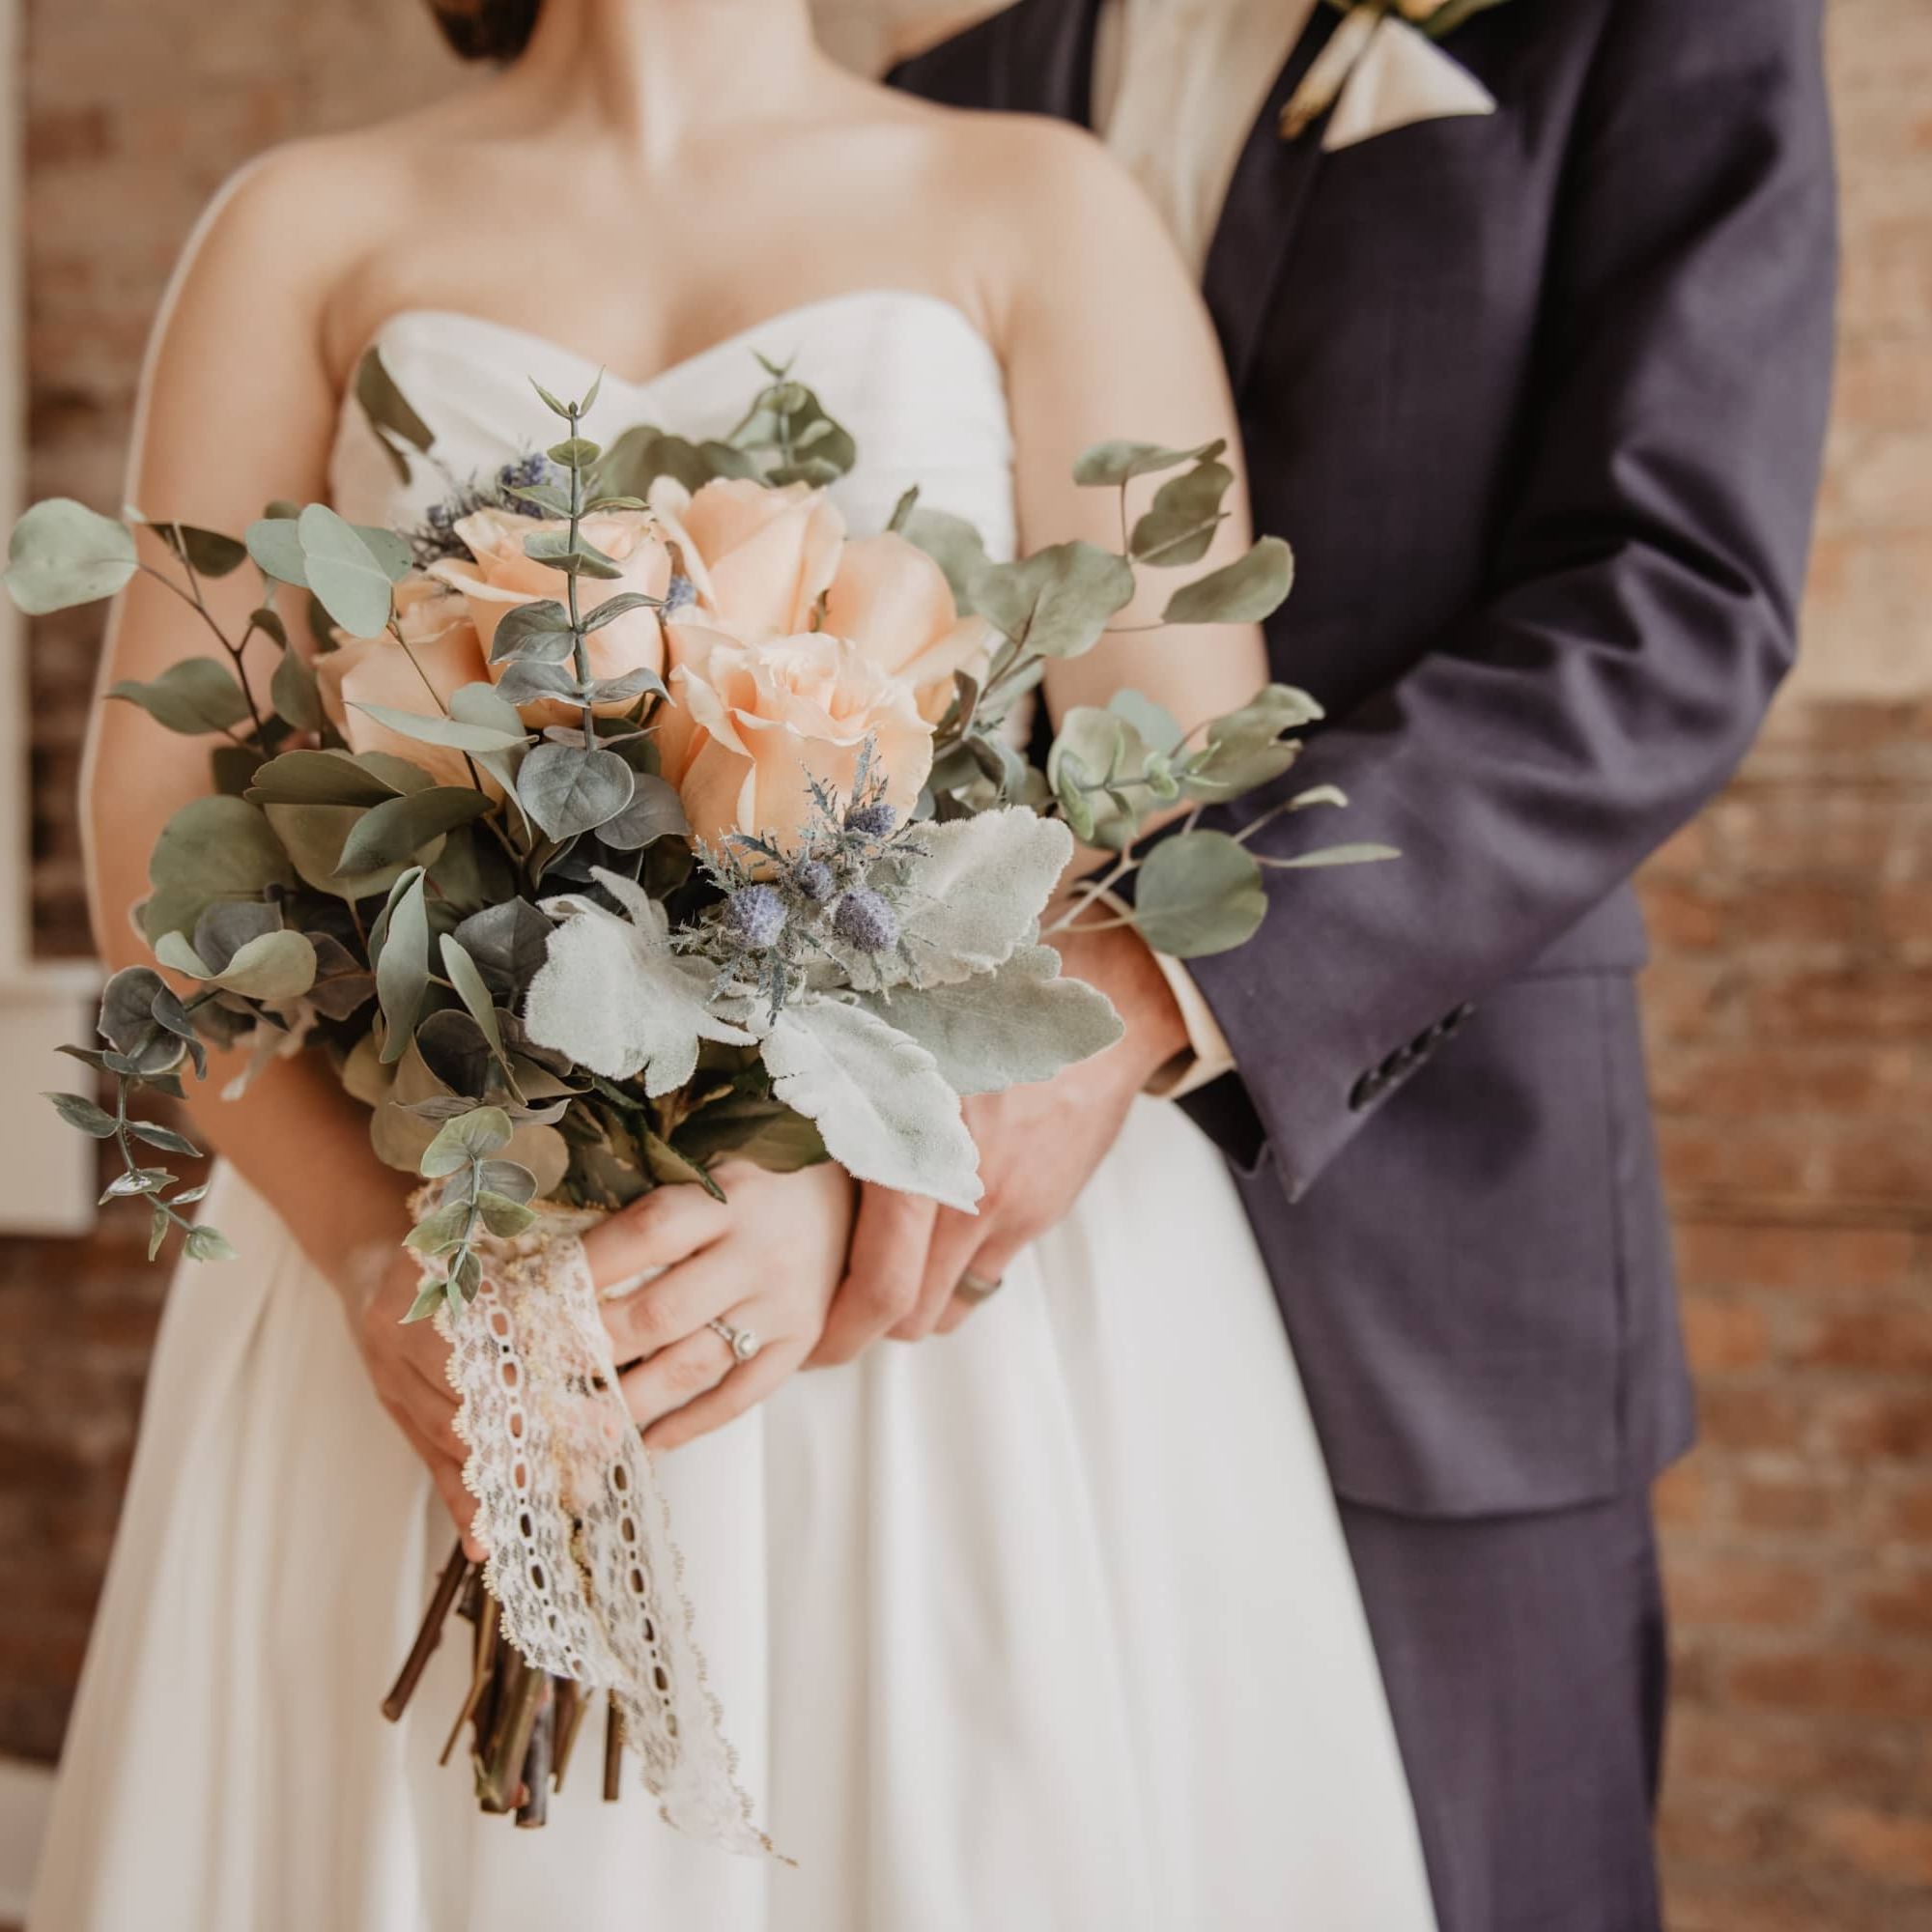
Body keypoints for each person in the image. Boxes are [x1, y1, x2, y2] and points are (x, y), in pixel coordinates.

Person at [27, 2, 1442, 1927]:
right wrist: (384, 1253)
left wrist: (831, 1167)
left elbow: (1179, 821)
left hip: (926, 1315)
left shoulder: (1037, 206)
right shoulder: (304, 222)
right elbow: (154, 838)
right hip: (451, 1260)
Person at [872, 3, 1839, 1928]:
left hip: (1433, 1227)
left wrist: (1157, 976)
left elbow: (1671, 602)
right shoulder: (947, 83)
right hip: (967, 1308)